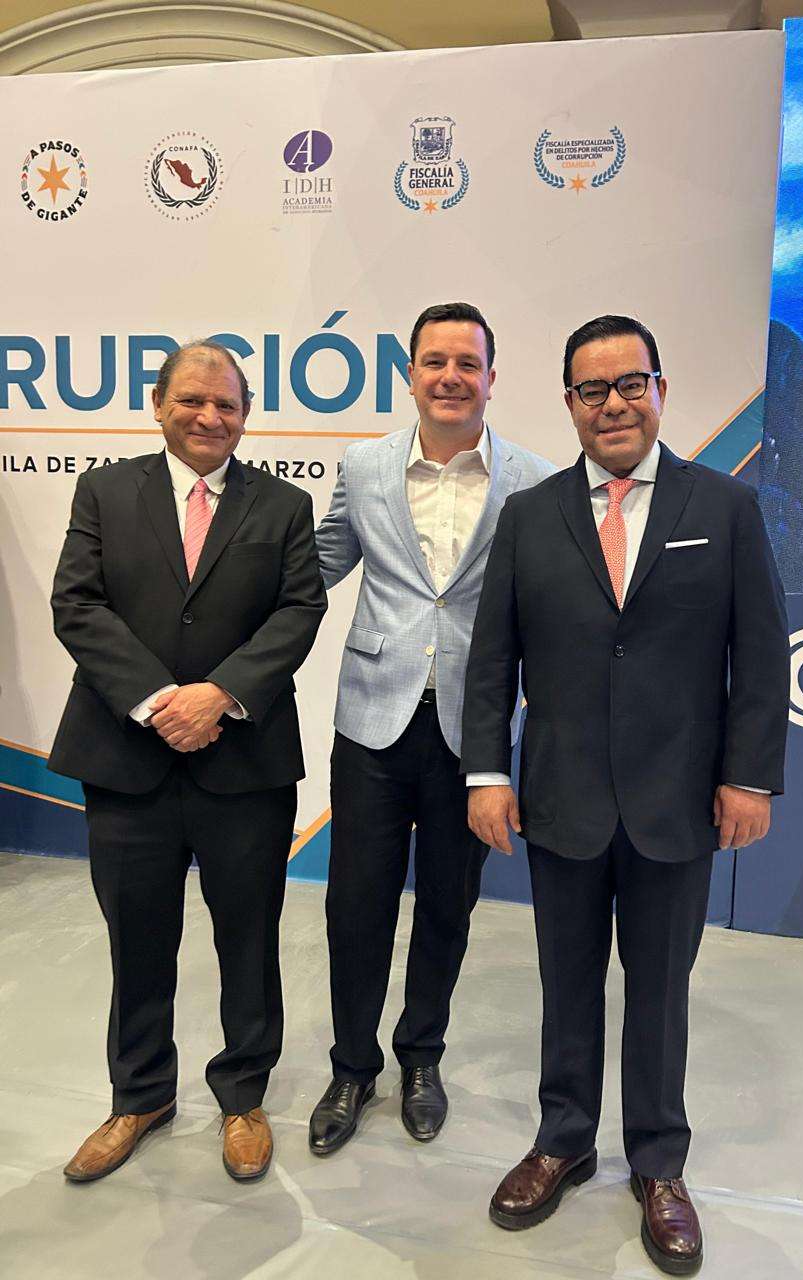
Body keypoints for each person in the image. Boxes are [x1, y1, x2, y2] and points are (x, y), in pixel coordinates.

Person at [461, 315, 789, 1274]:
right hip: (560, 798)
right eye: (591, 389)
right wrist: (486, 773)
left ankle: (658, 1163)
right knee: (565, 983)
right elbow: (493, 658)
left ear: (660, 390)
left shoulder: (725, 507)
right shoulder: (530, 515)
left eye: (630, 384)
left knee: (660, 990)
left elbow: (760, 657)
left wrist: (748, 776)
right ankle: (562, 1140)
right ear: (568, 403)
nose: (613, 404)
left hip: (677, 803)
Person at [49, 341, 326, 1184]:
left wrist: (219, 696)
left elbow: (299, 609)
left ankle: (243, 1096)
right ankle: (139, 1096)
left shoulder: (284, 505)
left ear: (246, 415)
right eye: (192, 401)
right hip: (125, 757)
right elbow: (77, 603)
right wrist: (158, 701)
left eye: (227, 405)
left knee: (249, 937)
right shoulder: (105, 491)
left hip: (244, 763)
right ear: (158, 405)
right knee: (136, 938)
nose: (209, 417)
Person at [310, 302, 554, 1154]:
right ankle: (351, 1066)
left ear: (491, 378)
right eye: (435, 362)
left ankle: (421, 1058)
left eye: (467, 364)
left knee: (449, 905)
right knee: (356, 906)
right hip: (371, 719)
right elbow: (318, 566)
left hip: (473, 731)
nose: (451, 377)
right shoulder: (363, 465)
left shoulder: (534, 479)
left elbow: (547, 606)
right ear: (409, 374)